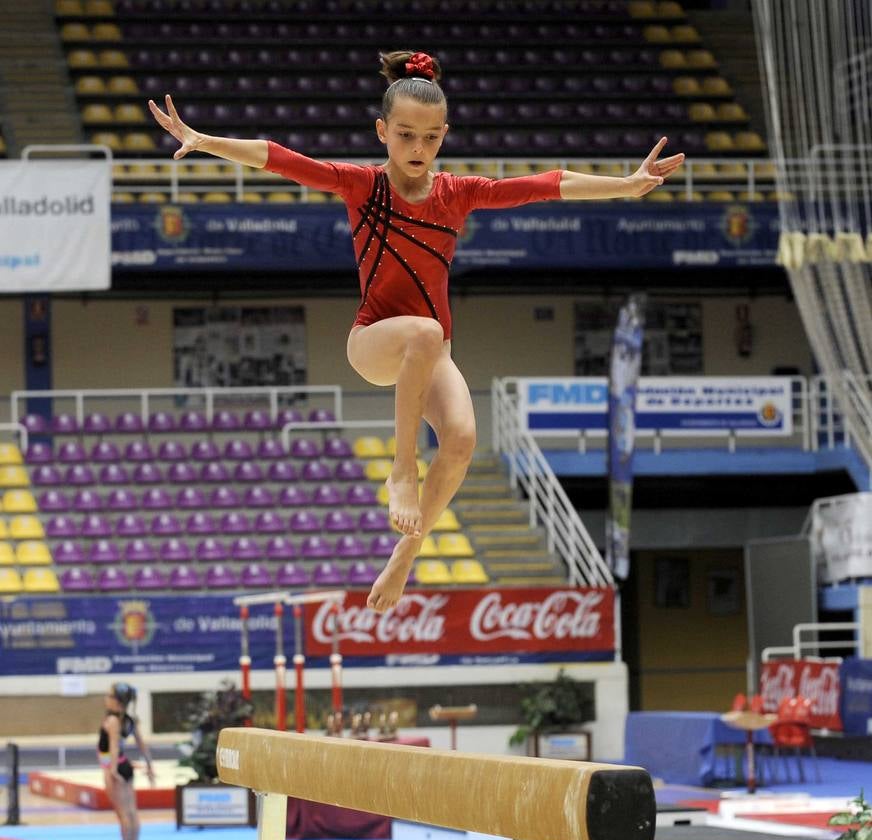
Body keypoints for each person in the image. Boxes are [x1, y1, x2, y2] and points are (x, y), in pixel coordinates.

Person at [149, 50, 684, 614]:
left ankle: (407, 551)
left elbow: (544, 184)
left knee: (460, 440)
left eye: (430, 139)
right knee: (427, 333)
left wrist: (626, 185)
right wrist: (203, 139)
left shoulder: (457, 194)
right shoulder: (362, 187)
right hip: (376, 340)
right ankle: (402, 469)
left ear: (444, 136)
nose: (417, 150)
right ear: (382, 131)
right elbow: (280, 158)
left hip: (430, 351)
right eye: (405, 136)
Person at [97, 681, 155, 840]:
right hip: (125, 765)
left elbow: (113, 745)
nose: (106, 699)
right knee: (131, 812)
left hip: (115, 768)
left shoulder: (113, 720)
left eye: (109, 696)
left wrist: (112, 770)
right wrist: (150, 766)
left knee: (123, 814)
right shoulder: (130, 720)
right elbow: (142, 744)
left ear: (117, 700)